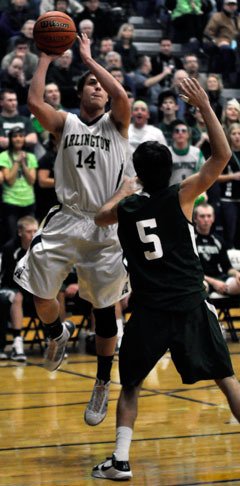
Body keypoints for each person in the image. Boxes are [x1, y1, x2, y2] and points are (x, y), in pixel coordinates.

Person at [91, 78, 240, 481]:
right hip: (190, 303)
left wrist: (125, 190)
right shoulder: (183, 195)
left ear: (138, 173)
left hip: (151, 310)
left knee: (132, 385)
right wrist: (206, 106)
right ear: (171, 170)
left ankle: (120, 460)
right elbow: (222, 155)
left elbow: (100, 216)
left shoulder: (127, 208)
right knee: (226, 378)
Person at [13, 33, 134, 427]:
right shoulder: (65, 123)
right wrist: (46, 57)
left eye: (102, 84)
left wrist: (89, 58)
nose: (98, 87)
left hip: (105, 225)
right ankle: (56, 331)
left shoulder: (117, 124)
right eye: (91, 84)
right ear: (80, 93)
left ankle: (101, 381)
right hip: (67, 217)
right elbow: (33, 103)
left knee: (104, 311)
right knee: (36, 289)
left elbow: (123, 98)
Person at [0, 215, 39, 361]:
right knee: (17, 297)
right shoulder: (10, 248)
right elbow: (10, 278)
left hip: (31, 288)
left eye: (35, 231)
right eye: (29, 231)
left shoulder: (40, 248)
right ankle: (17, 344)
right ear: (20, 232)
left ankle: (52, 339)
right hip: (8, 287)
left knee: (50, 294)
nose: (33, 235)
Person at [0, 126, 38, 244]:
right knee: (13, 238)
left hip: (28, 201)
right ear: (10, 139)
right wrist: (17, 162)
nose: (18, 139)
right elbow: (9, 180)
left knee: (30, 238)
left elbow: (32, 180)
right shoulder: (3, 156)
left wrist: (24, 163)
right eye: (15, 136)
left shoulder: (30, 157)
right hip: (11, 201)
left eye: (21, 136)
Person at [194, 202, 240, 296]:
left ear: (213, 218)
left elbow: (227, 268)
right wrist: (213, 282)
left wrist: (236, 274)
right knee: (203, 287)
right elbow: (191, 271)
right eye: (202, 216)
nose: (206, 219)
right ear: (195, 218)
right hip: (200, 280)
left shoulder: (219, 240)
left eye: (209, 216)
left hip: (219, 278)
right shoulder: (190, 240)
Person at [218, 122, 240, 249]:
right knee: (230, 234)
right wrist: (233, 176)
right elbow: (215, 177)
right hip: (228, 199)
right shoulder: (225, 155)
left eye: (239, 133)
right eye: (234, 133)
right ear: (229, 136)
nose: (237, 136)